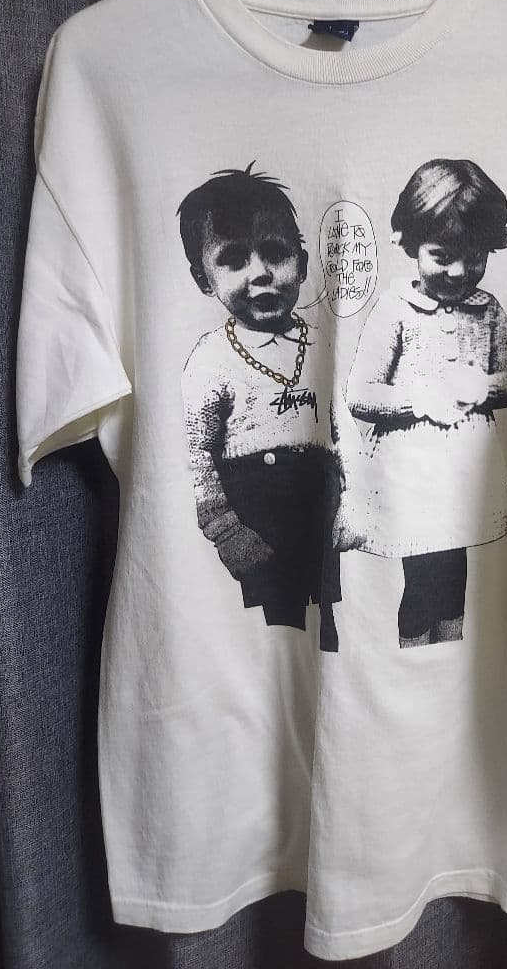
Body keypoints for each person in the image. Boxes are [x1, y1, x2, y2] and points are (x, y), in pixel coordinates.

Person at [338, 158, 507, 648]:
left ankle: (447, 655)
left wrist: (482, 387)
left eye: (475, 257)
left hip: (466, 477)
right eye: (442, 256)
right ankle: (414, 655)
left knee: (454, 578)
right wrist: (418, 399)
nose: (459, 271)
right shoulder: (395, 310)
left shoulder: (488, 311)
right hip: (411, 480)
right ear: (409, 244)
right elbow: (361, 393)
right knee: (421, 578)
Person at [178, 161, 342, 652]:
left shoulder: (325, 345)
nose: (261, 273)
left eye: (275, 253)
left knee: (327, 630)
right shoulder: (210, 360)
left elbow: (344, 433)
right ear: (204, 278)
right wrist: (228, 533)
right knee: (273, 640)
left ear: (303, 263)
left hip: (321, 515)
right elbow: (198, 459)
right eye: (233, 260)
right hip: (255, 521)